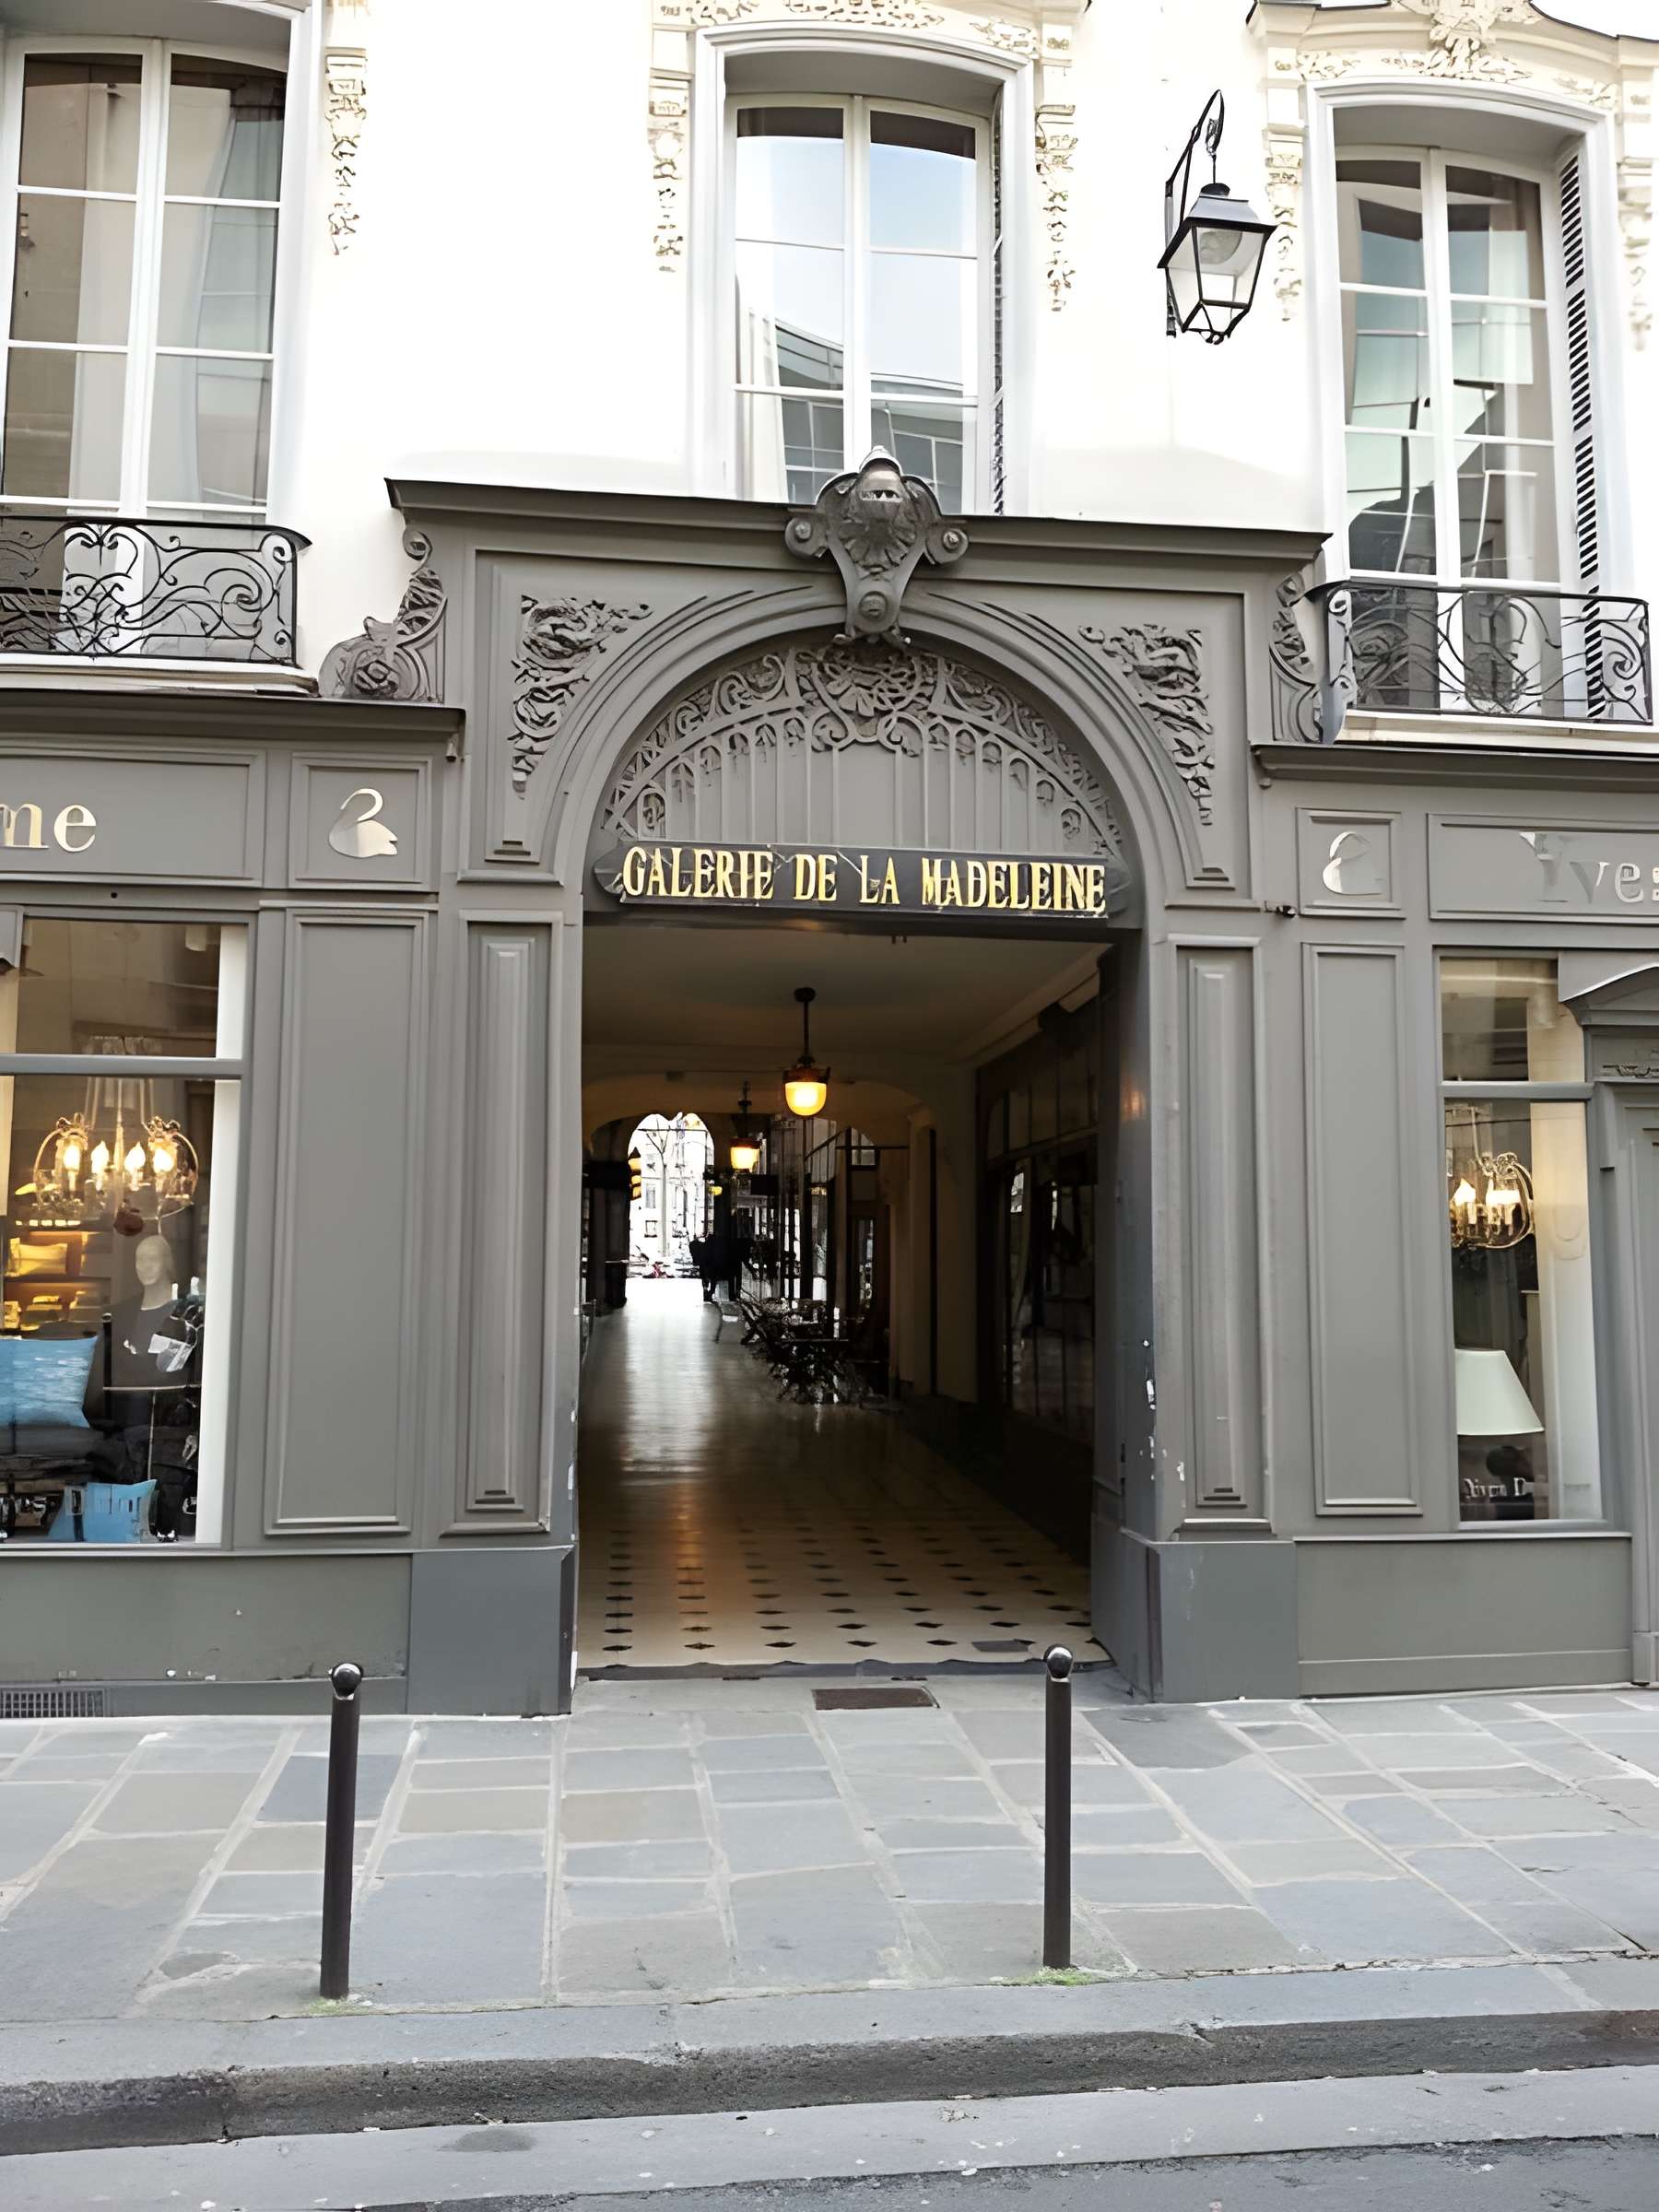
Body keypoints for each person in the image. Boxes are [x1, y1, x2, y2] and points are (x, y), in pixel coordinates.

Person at [697, 1231, 725, 1303]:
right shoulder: (715, 1248)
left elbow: (700, 1257)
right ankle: (709, 1294)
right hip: (713, 1268)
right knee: (713, 1281)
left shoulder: (703, 1246)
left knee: (705, 1280)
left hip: (704, 1267)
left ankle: (706, 1292)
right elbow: (718, 1258)